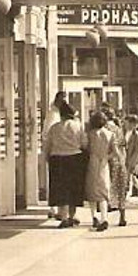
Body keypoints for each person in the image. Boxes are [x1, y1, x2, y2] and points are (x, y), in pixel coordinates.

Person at [43, 100, 87, 227]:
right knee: (74, 189)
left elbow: (48, 146)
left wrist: (47, 159)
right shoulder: (78, 126)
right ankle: (72, 216)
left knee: (61, 189)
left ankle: (63, 217)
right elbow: (84, 143)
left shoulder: (54, 128)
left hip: (58, 159)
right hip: (75, 158)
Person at [85, 110, 115, 230]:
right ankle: (104, 217)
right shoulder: (110, 134)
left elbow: (85, 148)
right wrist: (106, 158)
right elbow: (115, 152)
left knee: (92, 191)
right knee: (103, 191)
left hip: (92, 162)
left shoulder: (90, 134)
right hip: (104, 164)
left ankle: (94, 217)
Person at [40, 90, 68, 218]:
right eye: (63, 100)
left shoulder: (59, 114)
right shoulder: (53, 114)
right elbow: (46, 134)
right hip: (55, 151)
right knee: (55, 181)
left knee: (60, 181)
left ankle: (58, 208)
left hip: (60, 151)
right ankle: (53, 208)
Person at [105, 108, 130, 226]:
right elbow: (123, 147)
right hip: (119, 161)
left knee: (105, 188)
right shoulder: (118, 129)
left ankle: (103, 217)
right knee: (121, 189)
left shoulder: (104, 129)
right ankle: (122, 216)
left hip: (107, 161)